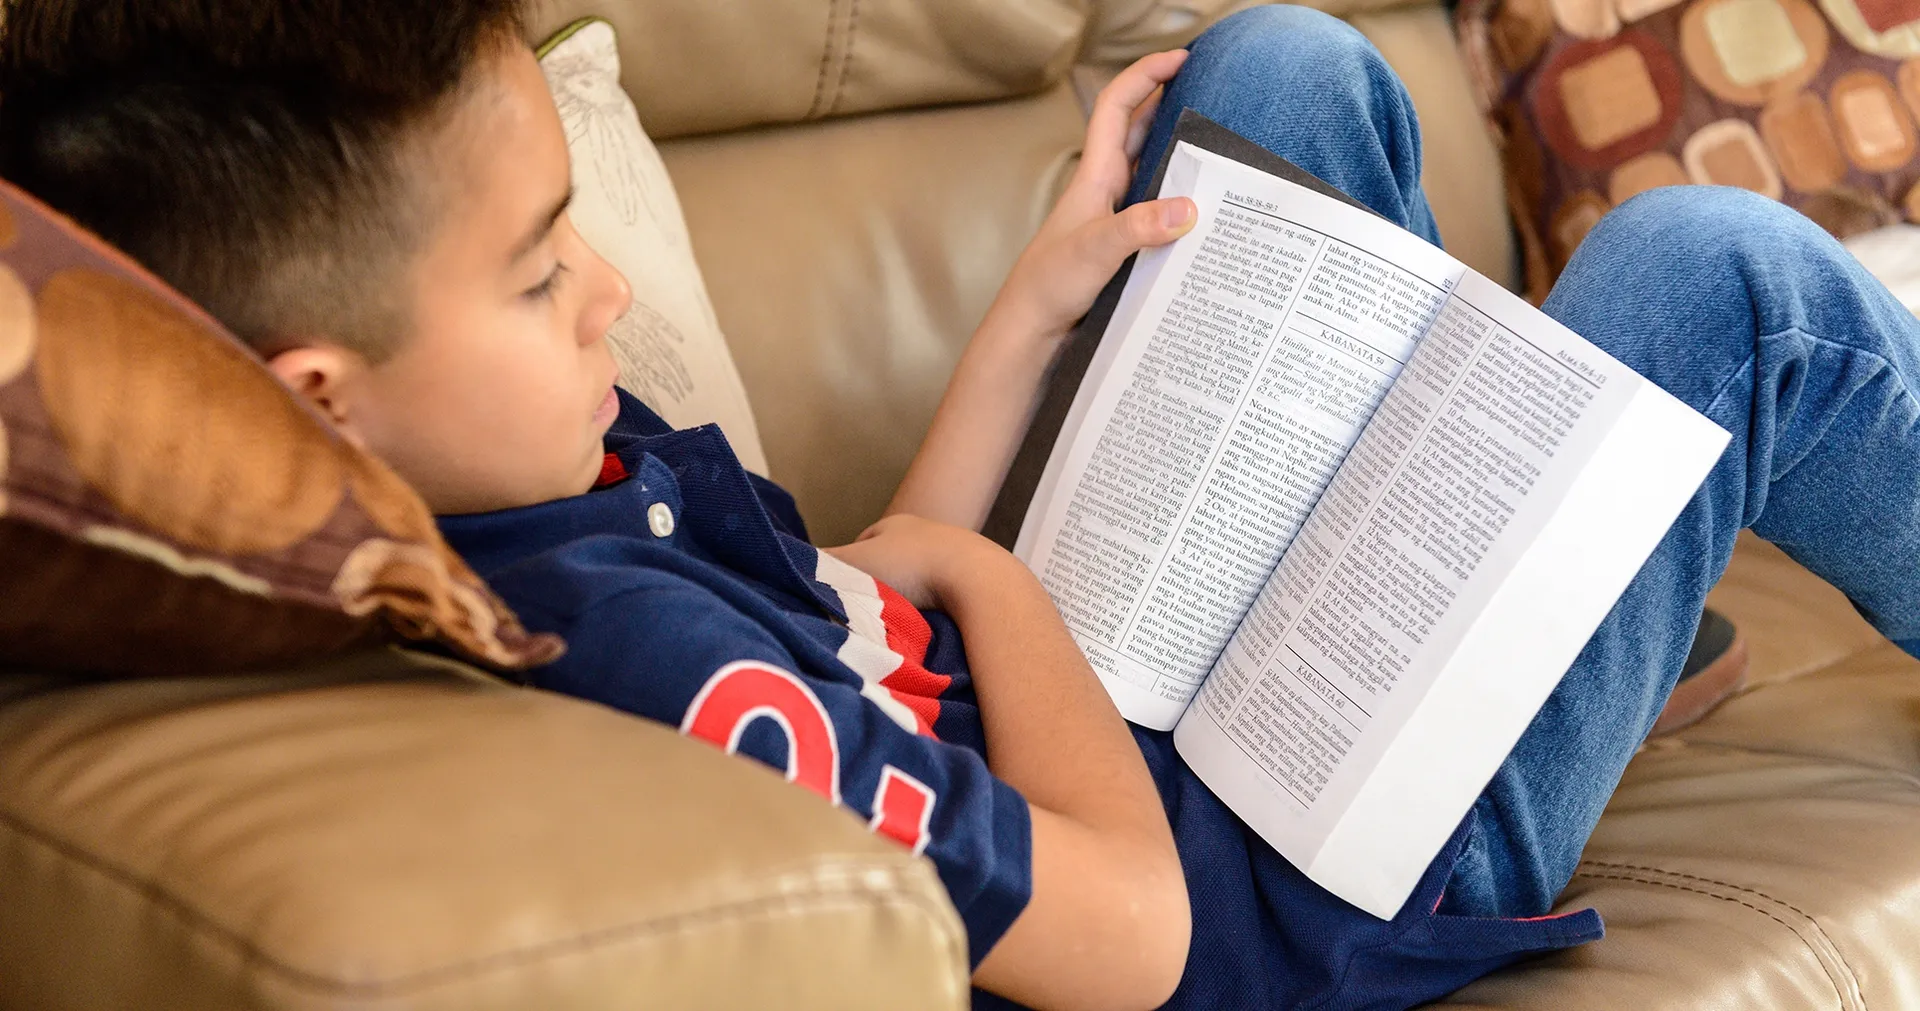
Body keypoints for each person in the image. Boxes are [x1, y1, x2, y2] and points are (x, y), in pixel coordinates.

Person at [0, 2, 1906, 1008]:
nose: (603, 296)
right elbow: (1142, 932)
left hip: (1117, 721)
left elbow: (853, 607)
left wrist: (1034, 306)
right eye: (532, 271)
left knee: (1278, 74)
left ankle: (1587, 615)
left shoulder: (525, 468)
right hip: (1283, 908)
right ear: (313, 398)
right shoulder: (646, 670)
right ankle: (1559, 632)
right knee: (1714, 278)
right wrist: (996, 582)